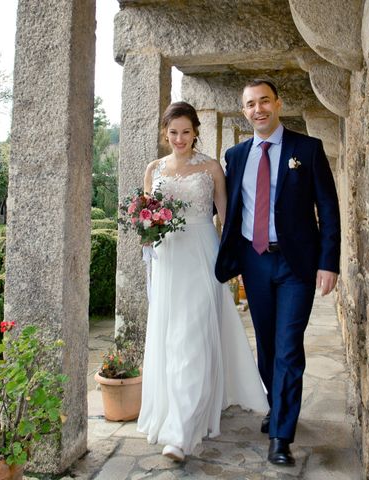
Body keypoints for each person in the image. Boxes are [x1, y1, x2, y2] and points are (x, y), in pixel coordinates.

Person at [215, 80, 341, 466]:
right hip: (254, 262)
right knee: (267, 344)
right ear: (245, 111)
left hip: (296, 263)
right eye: (250, 104)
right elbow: (223, 207)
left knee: (288, 346)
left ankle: (281, 435)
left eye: (264, 101)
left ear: (278, 103)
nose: (258, 110)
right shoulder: (235, 156)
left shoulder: (308, 149)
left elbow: (329, 209)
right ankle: (277, 402)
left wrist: (329, 262)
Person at [137, 101, 268, 462]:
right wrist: (146, 232)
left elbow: (226, 218)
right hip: (168, 260)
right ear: (165, 133)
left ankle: (180, 434)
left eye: (185, 131)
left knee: (191, 336)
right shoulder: (153, 169)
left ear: (196, 131)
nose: (179, 138)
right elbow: (146, 214)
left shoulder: (211, 168)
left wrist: (239, 260)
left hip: (202, 255)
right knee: (172, 337)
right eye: (173, 132)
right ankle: (179, 415)